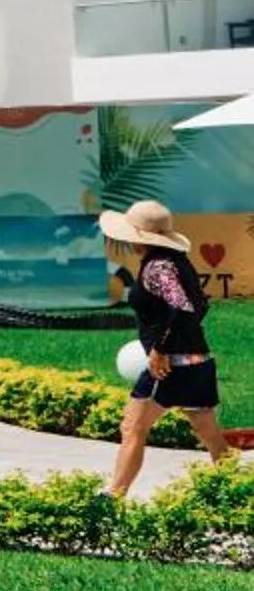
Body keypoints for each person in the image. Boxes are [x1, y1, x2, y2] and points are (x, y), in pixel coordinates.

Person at [105, 200, 234, 497]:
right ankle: (239, 491)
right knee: (208, 432)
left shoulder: (157, 267)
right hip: (198, 360)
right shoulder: (178, 262)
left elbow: (183, 308)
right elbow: (199, 306)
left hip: (169, 367)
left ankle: (113, 497)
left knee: (132, 428)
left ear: (139, 235)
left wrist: (160, 348)